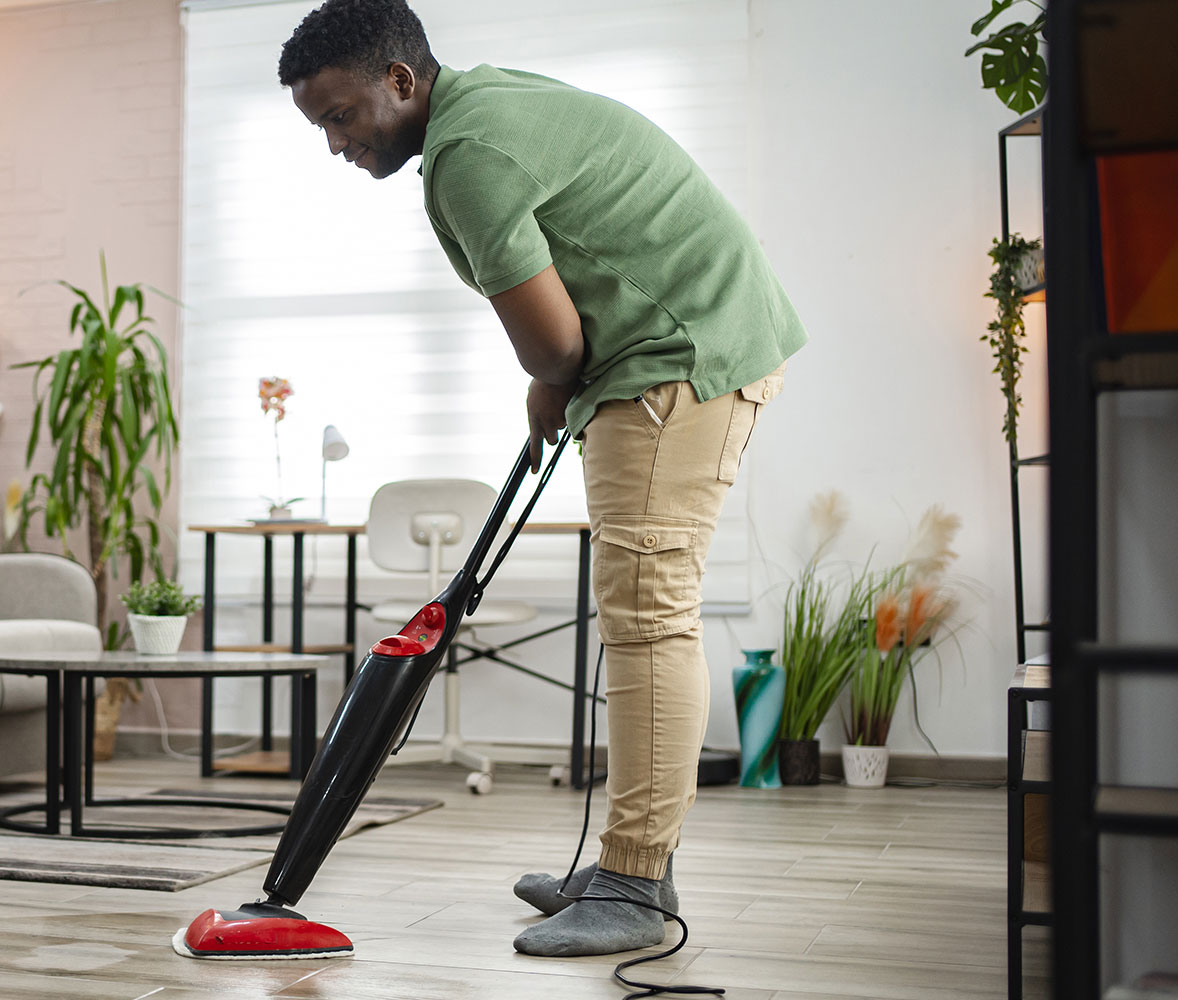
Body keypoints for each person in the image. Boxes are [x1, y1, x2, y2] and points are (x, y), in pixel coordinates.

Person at [277, 0, 805, 958]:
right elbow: (559, 334)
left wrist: (550, 383)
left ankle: (636, 886)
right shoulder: (482, 105)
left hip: (678, 355)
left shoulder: (469, 156)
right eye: (321, 125)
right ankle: (630, 868)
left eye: (341, 115)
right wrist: (552, 385)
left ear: (400, 80)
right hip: (679, 342)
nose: (335, 143)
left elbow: (556, 343)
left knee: (648, 612)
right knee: (642, 609)